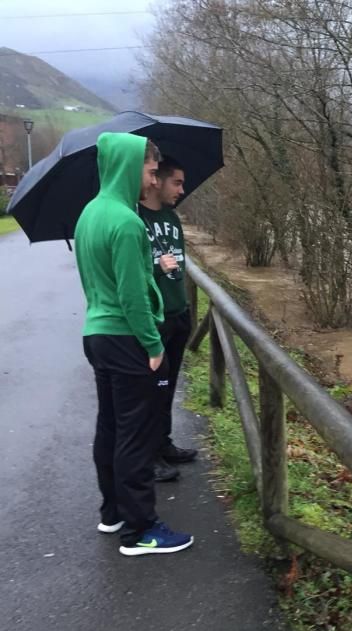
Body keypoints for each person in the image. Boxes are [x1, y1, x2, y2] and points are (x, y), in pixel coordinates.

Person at [75, 132, 194, 556]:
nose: (151, 178)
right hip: (127, 337)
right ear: (128, 167)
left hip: (98, 334)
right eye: (147, 170)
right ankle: (141, 529)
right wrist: (153, 345)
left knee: (109, 427)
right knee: (135, 435)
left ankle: (113, 513)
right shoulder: (126, 222)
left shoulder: (90, 213)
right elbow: (133, 296)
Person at [138, 156, 198, 480]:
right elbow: (130, 273)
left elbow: (181, 266)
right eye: (176, 182)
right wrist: (154, 267)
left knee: (169, 385)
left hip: (179, 314)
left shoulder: (172, 219)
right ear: (155, 181)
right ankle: (149, 455)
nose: (181, 189)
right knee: (152, 389)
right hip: (154, 319)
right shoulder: (135, 219)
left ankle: (164, 444)